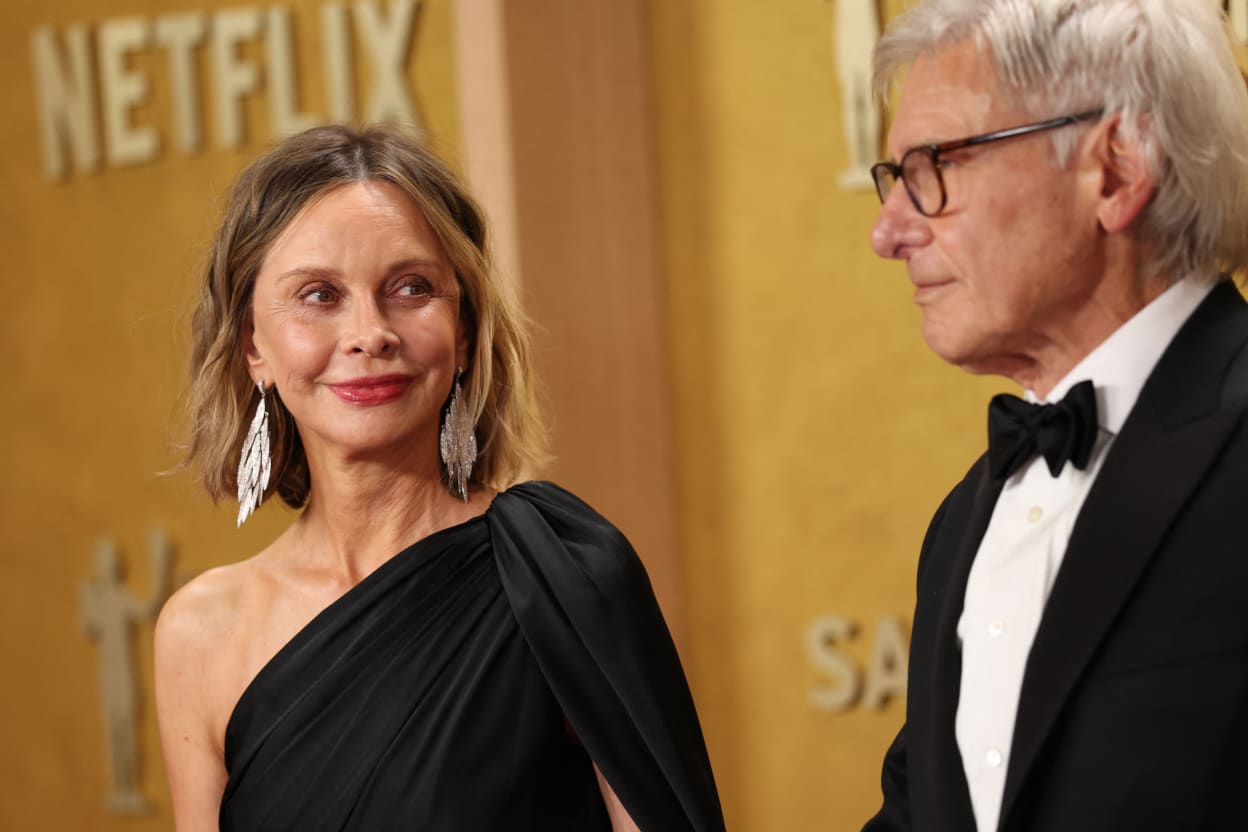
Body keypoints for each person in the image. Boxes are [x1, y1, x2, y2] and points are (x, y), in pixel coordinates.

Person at [154, 124, 725, 832]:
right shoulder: (202, 631)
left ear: (463, 332)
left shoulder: (559, 576)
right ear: (251, 346)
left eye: (411, 287)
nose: (371, 332)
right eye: (319, 295)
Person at [861, 1, 1248, 830]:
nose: (888, 232)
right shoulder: (966, 517)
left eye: (935, 168)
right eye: (895, 180)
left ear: (1115, 169)